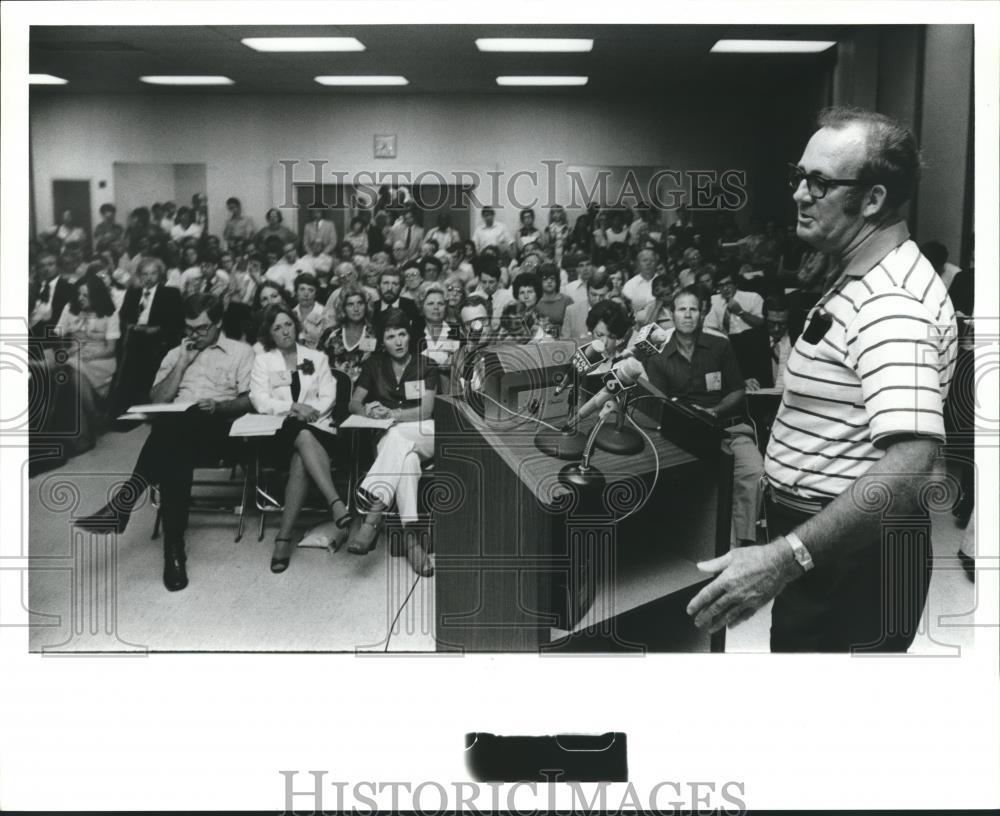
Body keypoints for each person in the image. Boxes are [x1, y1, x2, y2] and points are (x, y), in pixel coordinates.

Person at [687, 106, 957, 653]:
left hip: (851, 563)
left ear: (873, 200)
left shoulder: (891, 303)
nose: (798, 194)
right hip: (834, 549)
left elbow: (908, 464)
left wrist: (786, 559)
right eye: (799, 176)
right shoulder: (865, 271)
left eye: (819, 182)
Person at [75, 294, 255, 591]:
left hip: (220, 430)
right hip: (180, 431)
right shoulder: (176, 353)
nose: (194, 335)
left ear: (218, 323)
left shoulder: (241, 352)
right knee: (174, 440)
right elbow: (157, 400)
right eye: (189, 328)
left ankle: (124, 503)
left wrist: (219, 407)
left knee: (170, 435)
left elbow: (249, 400)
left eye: (202, 328)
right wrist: (182, 364)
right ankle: (174, 549)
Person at [644, 286, 764, 548]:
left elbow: (737, 391)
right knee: (701, 484)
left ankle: (743, 545)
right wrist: (690, 417)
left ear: (703, 313)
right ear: (671, 314)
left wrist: (713, 411)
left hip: (726, 428)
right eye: (681, 309)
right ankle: (702, 545)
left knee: (754, 472)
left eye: (693, 309)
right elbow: (660, 406)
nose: (687, 315)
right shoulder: (658, 355)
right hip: (683, 435)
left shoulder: (720, 346)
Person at [250, 304, 349, 571]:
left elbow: (329, 393)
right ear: (270, 334)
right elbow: (260, 399)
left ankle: (283, 538)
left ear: (296, 325)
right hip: (279, 430)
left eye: (288, 324)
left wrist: (311, 411)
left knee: (302, 451)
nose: (285, 331)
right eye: (277, 327)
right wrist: (293, 408)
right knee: (299, 436)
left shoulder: (315, 357)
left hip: (316, 425)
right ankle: (335, 502)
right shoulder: (263, 361)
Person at [346, 310, 438, 576]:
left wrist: (394, 415)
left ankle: (372, 517)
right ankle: (411, 542)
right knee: (406, 460)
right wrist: (368, 411)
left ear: (410, 336)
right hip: (390, 438)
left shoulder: (426, 364)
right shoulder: (374, 365)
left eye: (402, 334)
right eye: (390, 336)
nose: (397, 341)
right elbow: (353, 403)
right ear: (382, 341)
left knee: (398, 437)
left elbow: (426, 410)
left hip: (424, 432)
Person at [112, 257, 184, 415]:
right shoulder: (133, 293)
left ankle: (148, 403)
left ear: (160, 275)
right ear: (139, 275)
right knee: (128, 359)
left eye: (153, 273)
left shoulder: (170, 293)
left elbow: (177, 321)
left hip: (159, 340)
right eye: (145, 274)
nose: (149, 277)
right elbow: (124, 316)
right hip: (136, 336)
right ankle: (124, 406)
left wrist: (157, 329)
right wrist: (131, 325)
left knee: (148, 358)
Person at [321, 282, 376, 384]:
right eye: (350, 304)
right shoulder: (331, 334)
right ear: (343, 308)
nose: (356, 309)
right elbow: (318, 366)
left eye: (360, 303)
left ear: (366, 306)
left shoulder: (375, 335)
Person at [561, 268, 611, 342]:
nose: (597, 299)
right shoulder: (572, 311)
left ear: (609, 294)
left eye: (602, 296)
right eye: (594, 295)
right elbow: (565, 343)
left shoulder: (616, 311)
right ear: (587, 292)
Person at [535, 262, 573, 338]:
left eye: (552, 278)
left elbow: (572, 326)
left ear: (557, 280)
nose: (549, 281)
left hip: (564, 341)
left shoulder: (566, 301)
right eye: (545, 278)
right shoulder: (535, 302)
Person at [292, 272, 326, 349]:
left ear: (316, 294)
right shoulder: (291, 313)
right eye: (302, 289)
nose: (306, 294)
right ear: (296, 292)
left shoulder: (323, 313)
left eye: (311, 290)